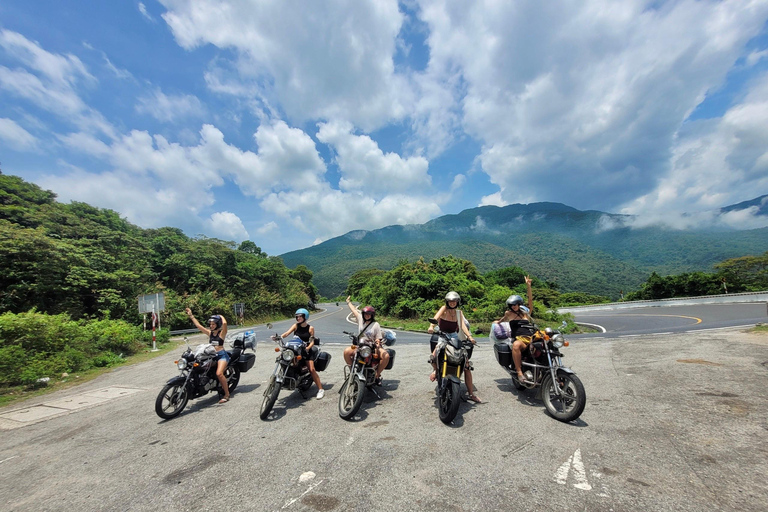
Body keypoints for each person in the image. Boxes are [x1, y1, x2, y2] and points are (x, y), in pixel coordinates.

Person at [427, 291, 481, 403]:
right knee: (433, 356)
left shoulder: (458, 312)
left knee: (466, 363)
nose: (452, 303)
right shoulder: (443, 309)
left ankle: (471, 394)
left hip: (454, 336)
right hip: (442, 335)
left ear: (457, 302)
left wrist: (470, 337)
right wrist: (431, 326)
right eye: (450, 301)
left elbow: (462, 326)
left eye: (454, 301)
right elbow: (435, 318)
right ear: (447, 301)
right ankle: (435, 370)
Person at [492, 276, 535, 383]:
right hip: (519, 339)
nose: (513, 306)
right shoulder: (508, 313)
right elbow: (503, 319)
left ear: (519, 304)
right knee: (516, 345)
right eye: (511, 305)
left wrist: (528, 286)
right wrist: (498, 322)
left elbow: (530, 300)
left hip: (531, 337)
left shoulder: (525, 313)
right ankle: (519, 372)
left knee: (548, 343)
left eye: (515, 304)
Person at [185, 307, 231, 404]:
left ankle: (226, 394)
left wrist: (220, 316)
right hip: (211, 355)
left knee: (219, 373)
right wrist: (191, 315)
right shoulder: (210, 333)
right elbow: (198, 325)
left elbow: (225, 324)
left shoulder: (221, 334)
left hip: (221, 356)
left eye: (213, 324)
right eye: (210, 324)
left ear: (217, 324)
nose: (211, 325)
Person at [280, 308, 325, 399]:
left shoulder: (310, 328)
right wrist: (279, 337)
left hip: (306, 350)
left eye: (300, 316)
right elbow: (287, 333)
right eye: (297, 316)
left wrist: (308, 348)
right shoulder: (295, 326)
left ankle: (320, 389)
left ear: (305, 317)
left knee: (311, 369)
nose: (298, 318)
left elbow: (312, 341)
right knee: (284, 359)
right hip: (296, 349)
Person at [344, 296, 390, 385]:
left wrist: (377, 342)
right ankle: (352, 371)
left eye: (369, 314)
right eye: (365, 314)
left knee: (386, 356)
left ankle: (377, 375)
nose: (366, 315)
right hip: (360, 345)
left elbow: (378, 337)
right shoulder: (360, 319)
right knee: (346, 352)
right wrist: (348, 302)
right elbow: (353, 310)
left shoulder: (376, 324)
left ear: (372, 315)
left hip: (372, 346)